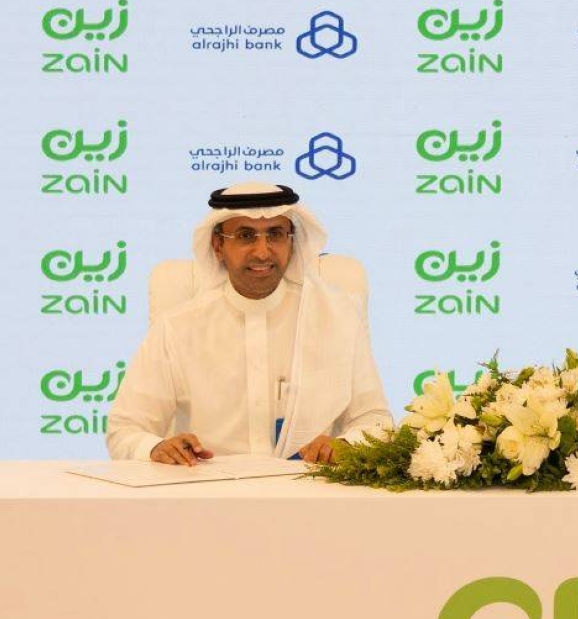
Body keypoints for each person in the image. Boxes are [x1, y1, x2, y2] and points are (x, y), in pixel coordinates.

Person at [107, 181, 392, 465]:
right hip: (208, 489)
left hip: (308, 485)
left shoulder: (337, 317)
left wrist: (345, 445)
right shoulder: (178, 328)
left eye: (275, 235)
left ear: (292, 242)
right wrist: (157, 448)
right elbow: (125, 429)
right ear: (218, 245)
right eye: (245, 236)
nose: (262, 252)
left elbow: (374, 419)